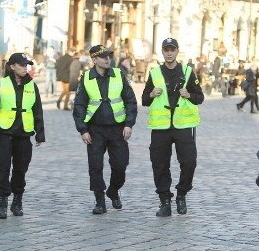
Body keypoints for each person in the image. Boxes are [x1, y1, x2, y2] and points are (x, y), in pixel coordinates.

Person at [142, 37, 204, 216]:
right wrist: (152, 93)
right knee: (160, 164)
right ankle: (165, 201)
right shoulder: (154, 73)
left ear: (177, 51)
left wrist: (189, 94)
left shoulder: (188, 71)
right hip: (161, 127)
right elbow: (145, 100)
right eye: (166, 50)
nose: (169, 53)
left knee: (189, 163)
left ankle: (182, 194)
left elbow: (199, 97)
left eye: (172, 49)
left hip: (183, 126)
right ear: (162, 52)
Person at [72, 45, 138, 214]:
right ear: (94, 60)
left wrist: (129, 124)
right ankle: (99, 200)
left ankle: (113, 191)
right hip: (95, 130)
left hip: (117, 129)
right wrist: (83, 130)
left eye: (108, 56)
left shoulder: (118, 75)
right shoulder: (86, 78)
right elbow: (79, 105)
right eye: (103, 57)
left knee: (120, 165)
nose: (107, 59)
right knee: (95, 167)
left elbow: (130, 101)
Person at [0, 53, 45, 219]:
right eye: (22, 65)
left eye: (27, 65)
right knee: (2, 169)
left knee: (20, 170)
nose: (25, 67)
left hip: (23, 134)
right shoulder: (1, 85)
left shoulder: (32, 86)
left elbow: (37, 110)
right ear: (12, 66)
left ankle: (17, 200)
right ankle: (2, 202)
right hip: (4, 133)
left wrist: (40, 134)